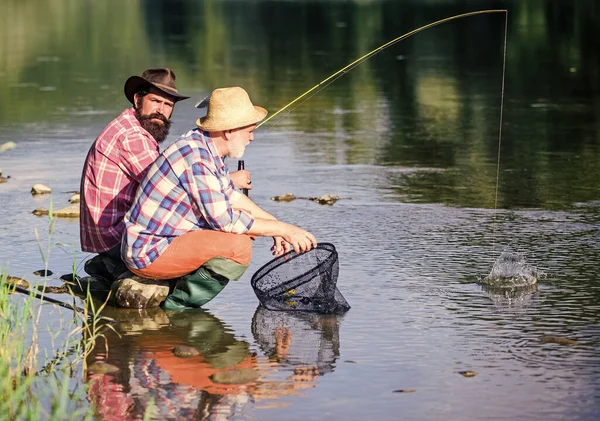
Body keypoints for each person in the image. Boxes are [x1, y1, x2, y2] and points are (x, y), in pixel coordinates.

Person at [121, 86, 317, 309]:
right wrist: (285, 230)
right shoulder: (198, 159)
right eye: (250, 130)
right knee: (238, 246)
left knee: (247, 233)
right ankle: (177, 308)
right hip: (148, 251)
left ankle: (174, 290)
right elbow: (226, 221)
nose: (252, 137)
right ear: (229, 131)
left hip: (160, 240)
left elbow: (232, 197)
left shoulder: (203, 145)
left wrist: (275, 225)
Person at [79, 69, 251, 279]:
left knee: (215, 218)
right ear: (137, 99)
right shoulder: (133, 137)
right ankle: (175, 298)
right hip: (115, 237)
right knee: (225, 232)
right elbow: (166, 184)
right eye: (155, 101)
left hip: (111, 233)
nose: (161, 110)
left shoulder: (131, 126)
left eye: (168, 105)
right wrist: (232, 180)